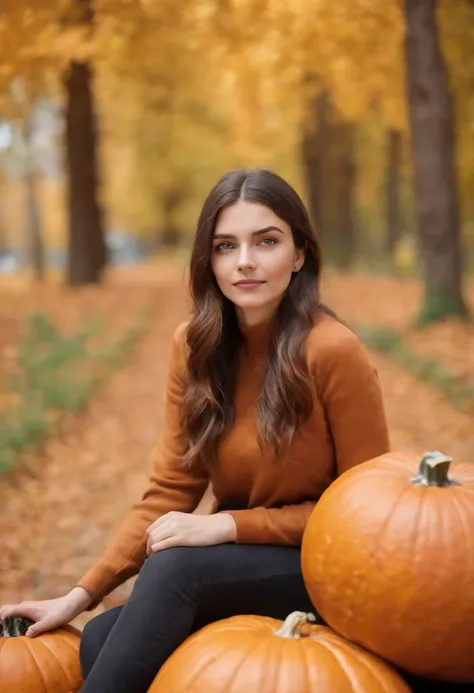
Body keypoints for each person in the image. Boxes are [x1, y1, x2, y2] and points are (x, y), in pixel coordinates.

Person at [1, 168, 391, 691]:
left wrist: (228, 526)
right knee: (98, 639)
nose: (245, 261)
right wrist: (79, 595)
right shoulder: (195, 348)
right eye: (226, 246)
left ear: (299, 255)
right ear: (209, 261)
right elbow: (170, 490)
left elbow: (369, 518)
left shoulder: (332, 350)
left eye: (267, 241)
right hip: (245, 565)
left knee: (177, 569)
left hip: (333, 569)